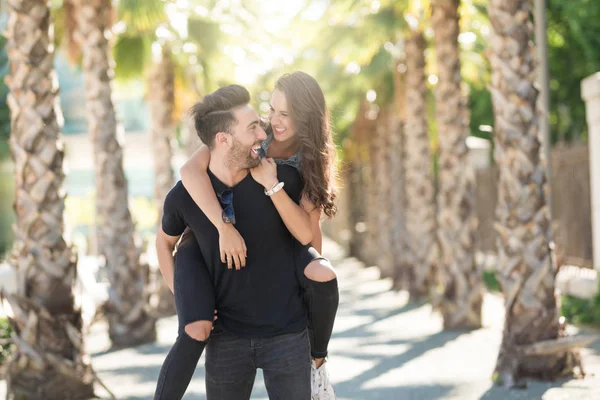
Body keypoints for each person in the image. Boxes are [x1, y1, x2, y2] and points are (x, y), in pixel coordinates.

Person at [154, 83, 334, 400]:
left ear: (305, 120)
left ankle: (318, 358)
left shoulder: (304, 165)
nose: (271, 125)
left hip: (287, 322)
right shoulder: (241, 137)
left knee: (319, 271)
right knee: (192, 252)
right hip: (225, 318)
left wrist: (273, 187)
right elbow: (190, 169)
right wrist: (222, 228)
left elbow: (308, 236)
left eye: (285, 115)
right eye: (270, 112)